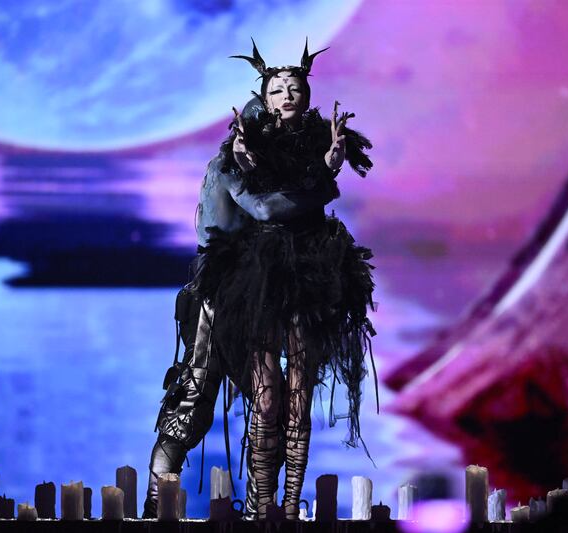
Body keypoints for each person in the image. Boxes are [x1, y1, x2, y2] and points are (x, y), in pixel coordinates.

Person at [191, 38, 377, 520]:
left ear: (307, 95)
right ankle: (260, 503)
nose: (287, 94)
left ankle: (290, 505)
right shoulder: (242, 147)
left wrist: (328, 166)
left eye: (295, 86)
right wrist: (315, 179)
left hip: (313, 268)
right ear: (264, 99)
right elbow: (263, 207)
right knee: (267, 395)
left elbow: (302, 198)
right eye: (277, 89)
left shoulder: (322, 142)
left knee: (300, 392)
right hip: (260, 273)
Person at [142, 96, 336, 519]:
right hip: (218, 299)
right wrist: (324, 180)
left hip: (258, 302)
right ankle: (156, 508)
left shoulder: (271, 172)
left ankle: (257, 510)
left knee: (274, 407)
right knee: (191, 406)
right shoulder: (230, 167)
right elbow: (264, 210)